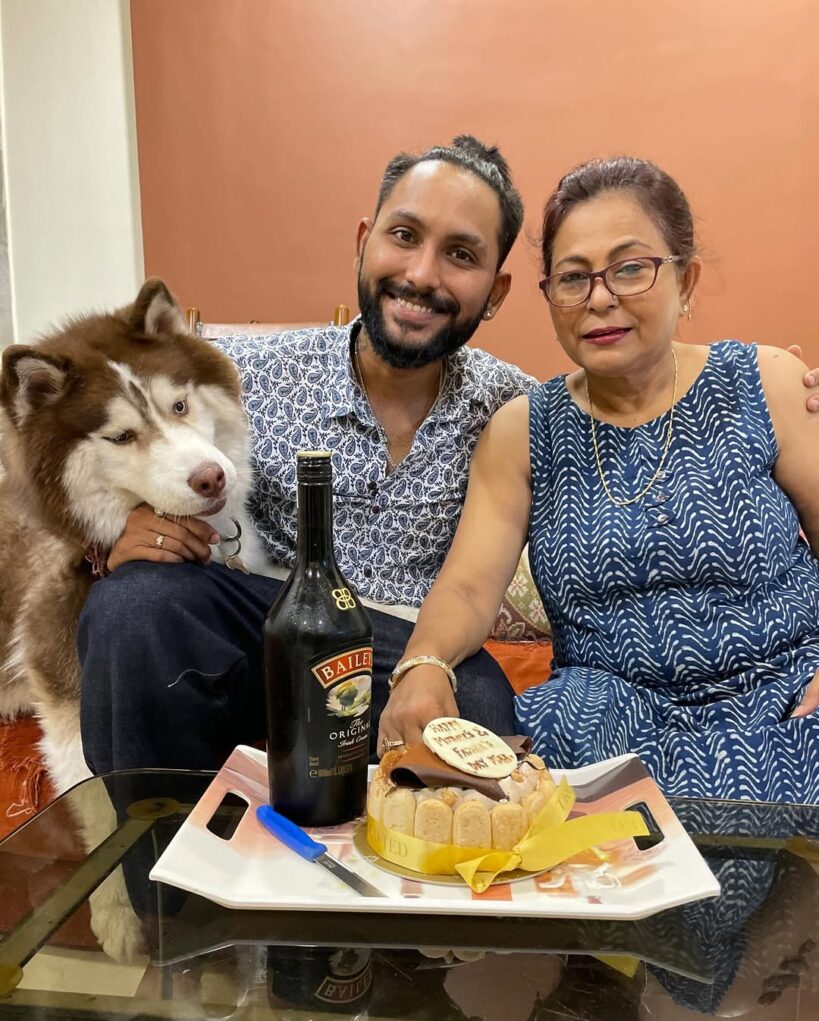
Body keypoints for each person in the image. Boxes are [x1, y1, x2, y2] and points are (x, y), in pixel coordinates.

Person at [78, 135, 537, 773]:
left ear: (497, 290)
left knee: (482, 704)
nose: (421, 274)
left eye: (461, 254)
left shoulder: (516, 407)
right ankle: (158, 868)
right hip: (260, 625)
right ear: (362, 242)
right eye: (403, 235)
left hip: (408, 644)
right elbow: (98, 445)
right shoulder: (242, 376)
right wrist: (117, 536)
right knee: (134, 605)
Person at [378, 156, 819, 803]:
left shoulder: (768, 383)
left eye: (630, 268)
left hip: (782, 686)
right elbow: (468, 588)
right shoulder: (522, 429)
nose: (600, 297)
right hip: (604, 711)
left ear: (685, 280)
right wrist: (422, 664)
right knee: (523, 801)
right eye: (572, 277)